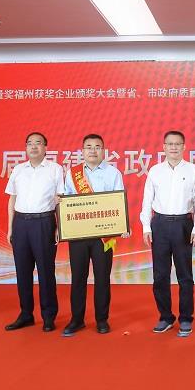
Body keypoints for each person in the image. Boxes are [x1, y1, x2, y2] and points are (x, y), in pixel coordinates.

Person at [60, 133, 126, 337]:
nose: (93, 150)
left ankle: (102, 319)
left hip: (103, 236)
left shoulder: (113, 173)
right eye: (88, 147)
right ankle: (77, 319)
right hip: (79, 234)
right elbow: (67, 200)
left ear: (103, 150)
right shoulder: (73, 174)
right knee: (78, 277)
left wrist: (121, 225)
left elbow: (119, 201)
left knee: (102, 277)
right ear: (82, 151)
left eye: (97, 147)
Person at [140, 130, 195, 337]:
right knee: (160, 275)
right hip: (159, 224)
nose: (173, 147)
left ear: (184, 147)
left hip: (183, 224)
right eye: (170, 144)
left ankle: (185, 318)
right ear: (164, 147)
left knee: (185, 275)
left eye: (177, 144)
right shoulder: (155, 171)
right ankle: (165, 317)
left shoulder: (193, 171)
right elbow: (147, 200)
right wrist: (146, 227)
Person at [4, 132, 63, 332]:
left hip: (44, 223)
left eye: (38, 143)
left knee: (46, 271)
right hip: (20, 223)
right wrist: (10, 228)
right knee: (22, 271)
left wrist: (59, 227)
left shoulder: (55, 169)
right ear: (26, 148)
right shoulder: (18, 170)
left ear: (46, 147)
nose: (34, 147)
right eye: (30, 143)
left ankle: (48, 316)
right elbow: (12, 199)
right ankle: (26, 314)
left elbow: (60, 200)